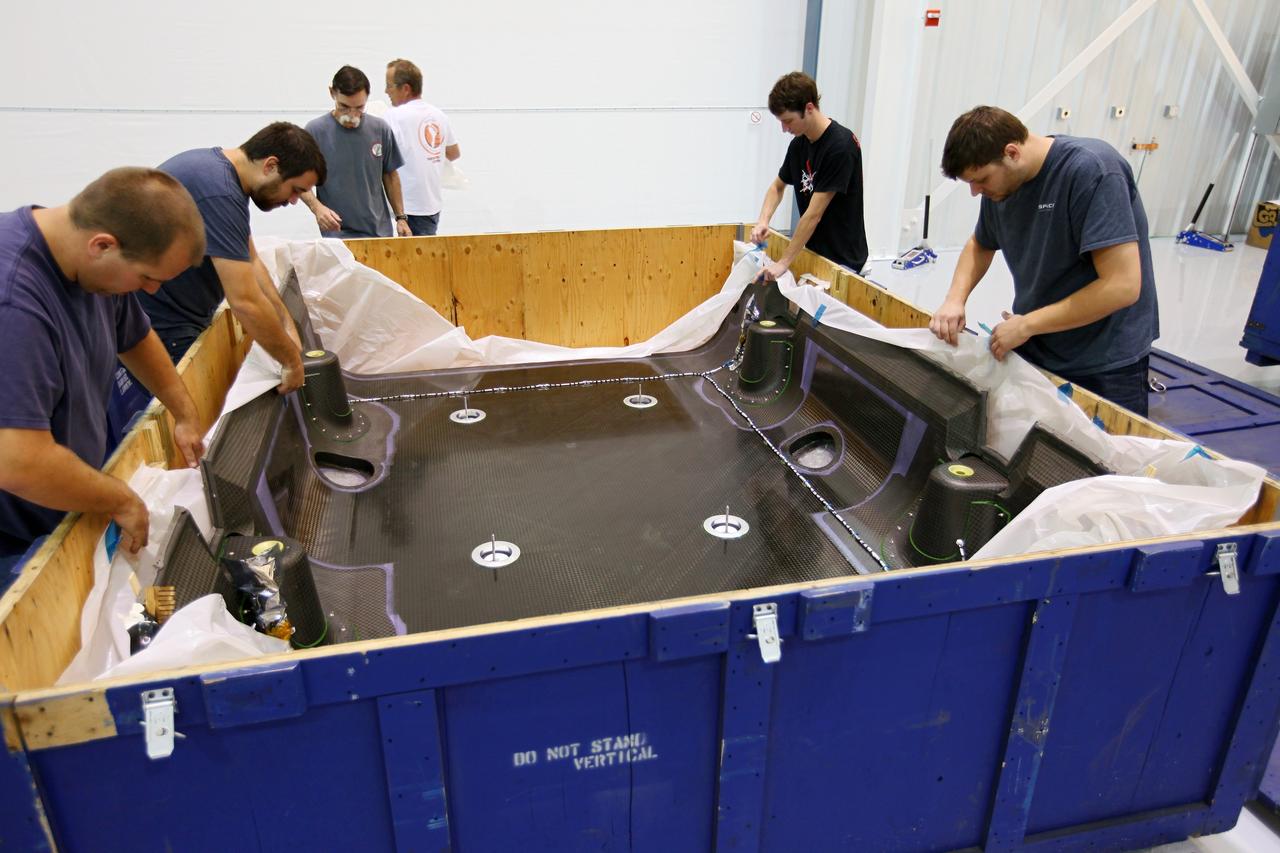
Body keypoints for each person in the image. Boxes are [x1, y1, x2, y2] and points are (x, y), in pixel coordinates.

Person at [0, 168, 208, 584]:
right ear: (102, 245)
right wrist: (120, 499)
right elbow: (17, 460)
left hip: (56, 505)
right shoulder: (15, 304)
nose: (151, 291)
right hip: (12, 541)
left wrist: (183, 412)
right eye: (148, 277)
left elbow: (135, 336)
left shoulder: (90, 268)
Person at [927, 106, 1158, 416]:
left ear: (1012, 152)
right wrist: (955, 300)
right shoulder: (1002, 187)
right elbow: (980, 243)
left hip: (1105, 359)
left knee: (1107, 460)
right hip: (1042, 342)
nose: (975, 192)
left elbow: (1122, 286)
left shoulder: (1093, 171)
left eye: (981, 180)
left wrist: (1028, 324)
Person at [137, 122, 325, 391]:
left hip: (173, 318)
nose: (294, 200)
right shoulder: (219, 193)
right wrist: (291, 362)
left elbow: (252, 260)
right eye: (295, 189)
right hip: (162, 326)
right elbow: (244, 301)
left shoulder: (219, 176)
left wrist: (285, 322)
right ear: (270, 165)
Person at [750, 71, 869, 280]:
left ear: (809, 108)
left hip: (843, 262)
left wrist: (783, 262)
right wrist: (763, 220)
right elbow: (777, 187)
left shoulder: (841, 147)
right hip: (814, 253)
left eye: (788, 121)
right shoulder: (799, 145)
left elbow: (814, 214)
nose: (784, 129)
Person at [303, 65, 410, 239]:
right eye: (344, 107)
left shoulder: (380, 129)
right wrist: (317, 208)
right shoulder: (315, 131)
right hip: (337, 235)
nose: (352, 115)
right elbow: (297, 181)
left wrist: (401, 218)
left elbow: (390, 175)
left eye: (359, 108)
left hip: (379, 232)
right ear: (332, 93)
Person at [384, 58, 460, 237]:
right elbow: (454, 153)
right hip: (431, 206)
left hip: (404, 209)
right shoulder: (438, 115)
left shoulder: (393, 117)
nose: (386, 91)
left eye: (389, 85)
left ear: (405, 88)